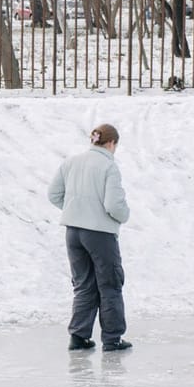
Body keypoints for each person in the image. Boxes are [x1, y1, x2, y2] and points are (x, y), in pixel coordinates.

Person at [47, 124, 132, 352]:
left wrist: (75, 210)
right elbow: (114, 205)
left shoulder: (71, 162)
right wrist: (123, 216)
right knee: (110, 284)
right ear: (112, 143)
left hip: (73, 232)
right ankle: (113, 339)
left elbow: (53, 194)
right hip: (100, 233)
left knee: (84, 284)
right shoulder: (108, 166)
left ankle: (79, 336)